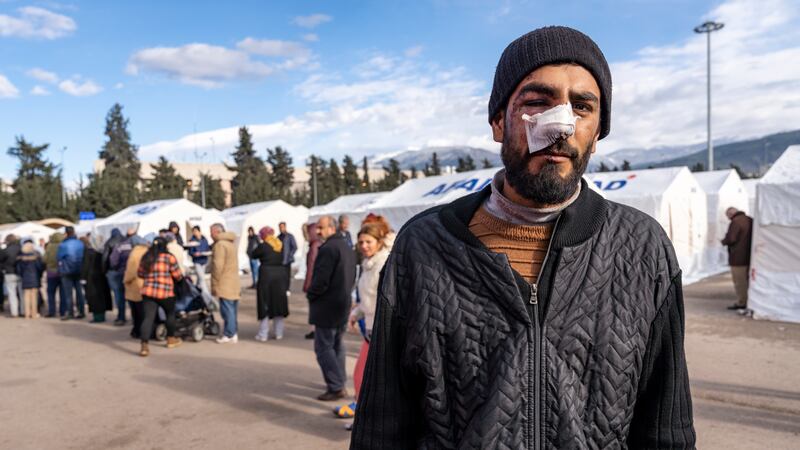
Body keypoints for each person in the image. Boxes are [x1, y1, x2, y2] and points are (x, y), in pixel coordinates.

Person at [351, 26, 695, 449]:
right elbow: (382, 427)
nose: (560, 126)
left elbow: (666, 430)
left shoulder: (643, 248)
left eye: (582, 107)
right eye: (537, 103)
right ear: (498, 122)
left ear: (598, 130)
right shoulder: (424, 246)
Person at [334, 222, 392, 421]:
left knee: (367, 377)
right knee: (362, 376)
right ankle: (364, 414)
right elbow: (368, 299)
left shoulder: (383, 264)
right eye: (361, 242)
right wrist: (356, 313)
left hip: (383, 332)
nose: (364, 245)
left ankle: (367, 417)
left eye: (368, 241)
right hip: (370, 329)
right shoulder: (368, 265)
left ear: (379, 242)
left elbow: (388, 300)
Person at [307, 215, 357, 401]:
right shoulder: (346, 246)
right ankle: (338, 381)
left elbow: (320, 280)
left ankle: (336, 385)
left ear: (332, 228)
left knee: (324, 347)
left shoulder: (329, 248)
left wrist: (311, 294)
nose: (318, 231)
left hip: (328, 305)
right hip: (341, 303)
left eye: (321, 228)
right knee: (336, 345)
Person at [137, 237, 184, 357]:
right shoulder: (169, 257)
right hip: (165, 292)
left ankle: (144, 346)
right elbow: (178, 275)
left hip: (148, 291)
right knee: (170, 314)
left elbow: (140, 273)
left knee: (148, 318)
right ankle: (171, 339)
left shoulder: (146, 257)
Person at [250, 227, 289, 341]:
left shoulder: (264, 246)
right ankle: (278, 333)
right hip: (280, 275)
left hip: (266, 275)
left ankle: (263, 334)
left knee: (265, 303)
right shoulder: (279, 245)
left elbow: (253, 254)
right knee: (278, 303)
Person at [210, 223, 240, 344]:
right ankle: (233, 332)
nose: (210, 234)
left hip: (224, 281)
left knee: (226, 310)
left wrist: (215, 282)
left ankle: (229, 333)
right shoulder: (230, 243)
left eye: (211, 232)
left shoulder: (220, 245)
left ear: (217, 232)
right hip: (233, 280)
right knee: (232, 309)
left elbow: (218, 266)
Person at [721, 207, 754, 310]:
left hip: (738, 258)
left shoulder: (735, 222)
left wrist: (724, 241)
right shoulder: (749, 219)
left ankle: (742, 302)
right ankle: (748, 301)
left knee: (739, 282)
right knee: (747, 281)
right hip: (749, 257)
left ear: (731, 214)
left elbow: (731, 238)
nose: (728, 218)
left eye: (727, 216)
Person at [82, 235, 113, 323]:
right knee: (102, 297)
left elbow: (85, 265)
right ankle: (101, 316)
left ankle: (98, 317)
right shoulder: (104, 250)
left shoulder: (89, 252)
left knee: (94, 298)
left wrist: (83, 277)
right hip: (102, 277)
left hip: (92, 278)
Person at [57, 227, 86, 320]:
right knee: (79, 292)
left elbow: (59, 257)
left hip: (67, 271)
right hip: (79, 270)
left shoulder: (63, 245)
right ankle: (81, 311)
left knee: (68, 294)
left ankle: (70, 313)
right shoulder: (80, 243)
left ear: (66, 233)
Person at [123, 236, 149, 339]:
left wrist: (125, 280)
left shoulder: (134, 253)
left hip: (135, 285)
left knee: (136, 311)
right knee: (144, 310)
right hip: (144, 284)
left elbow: (131, 271)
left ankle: (138, 331)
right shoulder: (147, 251)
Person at [104, 228, 129, 325]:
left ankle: (121, 317)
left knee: (118, 295)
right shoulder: (127, 242)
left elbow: (106, 258)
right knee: (130, 295)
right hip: (127, 272)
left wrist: (105, 270)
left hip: (115, 272)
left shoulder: (110, 242)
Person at [303, 223, 322, 340]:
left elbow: (311, 266)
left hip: (314, 281)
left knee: (314, 307)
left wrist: (307, 285)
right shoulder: (319, 244)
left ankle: (314, 330)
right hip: (318, 280)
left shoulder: (314, 246)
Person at [15, 240, 44, 319]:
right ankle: (34, 313)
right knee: (34, 297)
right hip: (34, 277)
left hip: (25, 278)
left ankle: (27, 314)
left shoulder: (21, 258)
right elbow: (39, 268)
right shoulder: (36, 257)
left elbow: (19, 270)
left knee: (26, 297)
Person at [186, 226, 213, 302]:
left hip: (204, 260)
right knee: (202, 278)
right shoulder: (192, 241)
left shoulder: (204, 239)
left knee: (199, 279)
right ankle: (207, 296)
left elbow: (207, 248)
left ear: (199, 231)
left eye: (196, 231)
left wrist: (206, 252)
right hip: (197, 261)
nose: (195, 233)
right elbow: (190, 251)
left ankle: (196, 292)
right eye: (194, 231)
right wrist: (194, 254)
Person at [43, 232, 65, 318]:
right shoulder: (63, 245)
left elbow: (44, 259)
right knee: (62, 293)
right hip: (62, 272)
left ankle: (52, 311)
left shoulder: (49, 246)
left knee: (51, 293)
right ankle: (63, 311)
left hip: (51, 272)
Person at [0, 234, 22, 317]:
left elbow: (1, 262)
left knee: (12, 293)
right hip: (20, 273)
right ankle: (23, 311)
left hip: (9, 273)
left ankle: (14, 312)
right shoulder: (20, 248)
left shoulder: (5, 250)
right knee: (21, 293)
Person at [278, 221, 298, 291]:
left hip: (287, 260)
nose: (281, 229)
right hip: (280, 259)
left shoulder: (290, 236)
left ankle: (287, 289)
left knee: (287, 275)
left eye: (282, 227)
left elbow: (294, 247)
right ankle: (281, 288)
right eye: (280, 227)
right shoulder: (278, 237)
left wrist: (290, 255)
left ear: (285, 227)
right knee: (280, 275)